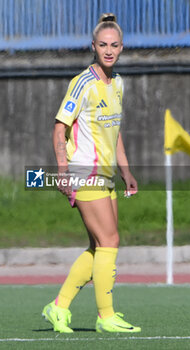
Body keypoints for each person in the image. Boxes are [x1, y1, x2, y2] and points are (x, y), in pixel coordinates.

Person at [42, 13, 141, 334]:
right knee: (110, 240)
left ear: (122, 48)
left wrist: (126, 172)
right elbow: (60, 129)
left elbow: (115, 133)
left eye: (114, 45)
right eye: (103, 45)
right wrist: (62, 171)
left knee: (100, 246)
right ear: (94, 47)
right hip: (85, 173)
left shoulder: (119, 84)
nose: (109, 50)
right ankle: (105, 315)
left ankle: (58, 308)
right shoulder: (82, 82)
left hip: (107, 175)